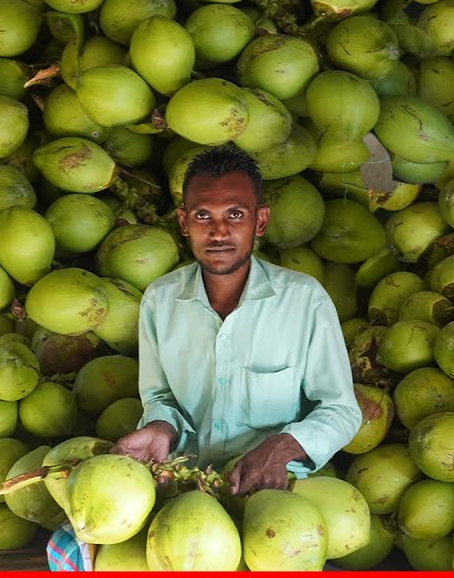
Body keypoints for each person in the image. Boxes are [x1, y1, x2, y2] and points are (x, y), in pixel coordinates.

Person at [47, 145, 362, 571]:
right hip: (183, 493)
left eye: (235, 214)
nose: (218, 232)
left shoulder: (304, 300)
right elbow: (160, 397)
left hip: (272, 494)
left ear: (260, 221)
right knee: (73, 548)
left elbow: (342, 410)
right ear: (183, 222)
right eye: (202, 216)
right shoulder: (160, 300)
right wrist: (160, 427)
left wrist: (284, 445)